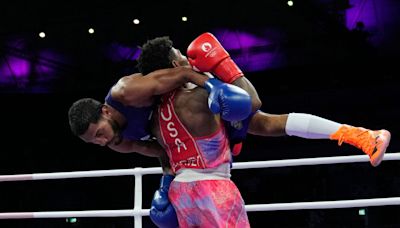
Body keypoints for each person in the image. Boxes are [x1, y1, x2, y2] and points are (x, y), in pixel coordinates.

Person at [136, 34, 391, 227]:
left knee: (266, 123)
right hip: (213, 188)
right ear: (173, 63)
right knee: (264, 120)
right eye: (180, 54)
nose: (186, 58)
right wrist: (223, 63)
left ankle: (363, 137)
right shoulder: (199, 96)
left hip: (181, 193)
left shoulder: (153, 114)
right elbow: (251, 101)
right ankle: (363, 136)